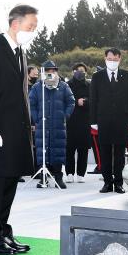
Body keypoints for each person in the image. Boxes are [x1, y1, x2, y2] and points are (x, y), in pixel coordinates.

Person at [0, 4, 37, 255]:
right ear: (15, 24)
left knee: (11, 182)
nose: (33, 31)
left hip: (16, 131)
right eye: (30, 26)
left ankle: (4, 231)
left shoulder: (20, 53)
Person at [90, 48, 128, 194]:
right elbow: (93, 100)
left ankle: (118, 183)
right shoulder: (97, 76)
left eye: (115, 59)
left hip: (122, 120)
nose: (113, 62)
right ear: (105, 59)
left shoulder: (127, 75)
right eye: (110, 59)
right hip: (103, 121)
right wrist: (93, 120)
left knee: (119, 155)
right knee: (105, 154)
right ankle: (107, 183)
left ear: (120, 59)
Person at [29, 60, 75, 189]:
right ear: (43, 73)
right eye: (47, 71)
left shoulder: (63, 86)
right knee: (42, 149)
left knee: (58, 149)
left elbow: (71, 102)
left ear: (56, 72)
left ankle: (58, 177)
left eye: (53, 71)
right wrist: (36, 117)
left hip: (58, 124)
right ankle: (43, 178)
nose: (50, 73)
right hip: (42, 124)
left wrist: (65, 116)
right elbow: (31, 104)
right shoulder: (37, 87)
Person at [65, 63, 91, 183]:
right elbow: (64, 100)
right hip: (70, 120)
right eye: (78, 70)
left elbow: (94, 100)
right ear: (73, 72)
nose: (80, 72)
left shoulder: (89, 85)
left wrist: (85, 101)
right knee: (69, 148)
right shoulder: (67, 85)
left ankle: (81, 174)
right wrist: (75, 101)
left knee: (83, 149)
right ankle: (69, 173)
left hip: (85, 120)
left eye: (82, 71)